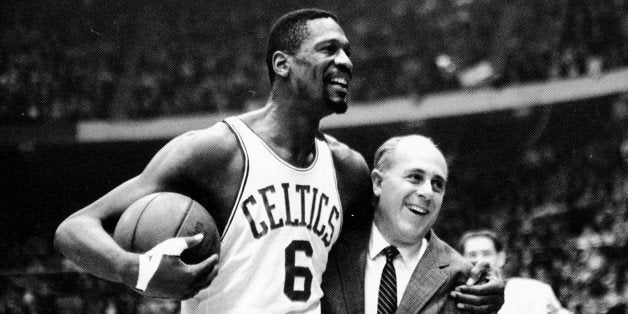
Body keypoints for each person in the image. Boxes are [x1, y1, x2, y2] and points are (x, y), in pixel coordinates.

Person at [55, 8, 501, 313]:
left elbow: (404, 226)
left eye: (347, 51)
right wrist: (133, 270)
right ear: (283, 64)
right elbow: (74, 229)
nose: (345, 61)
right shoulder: (217, 151)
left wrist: (476, 277)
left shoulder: (347, 169)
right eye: (329, 49)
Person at [322, 135, 505, 313]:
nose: (428, 192)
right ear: (378, 183)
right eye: (415, 177)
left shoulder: (462, 278)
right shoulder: (329, 251)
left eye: (437, 184)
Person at [458, 230, 571, 314]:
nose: (480, 260)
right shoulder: (456, 299)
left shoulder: (533, 290)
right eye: (472, 255)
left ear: (500, 258)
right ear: (461, 260)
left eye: (486, 253)